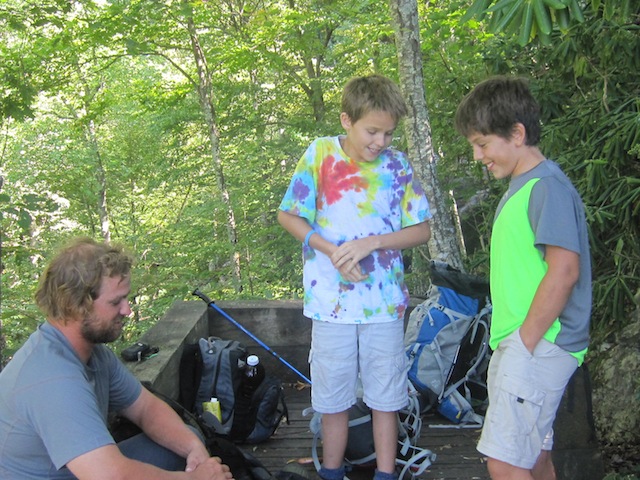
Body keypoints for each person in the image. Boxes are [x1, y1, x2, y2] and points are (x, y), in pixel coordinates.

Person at [277, 74, 432, 480]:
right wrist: (330, 251)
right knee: (332, 399)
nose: (380, 141)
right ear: (347, 120)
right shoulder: (320, 154)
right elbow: (288, 214)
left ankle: (384, 472)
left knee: (386, 397)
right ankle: (331, 472)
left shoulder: (397, 165)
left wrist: (373, 243)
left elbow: (422, 229)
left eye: (388, 133)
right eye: (372, 131)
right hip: (331, 305)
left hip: (383, 306)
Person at [0, 237, 234, 480]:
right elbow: (110, 476)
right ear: (76, 305)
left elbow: (145, 408)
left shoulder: (93, 354)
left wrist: (195, 450)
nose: (127, 310)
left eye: (126, 298)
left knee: (187, 439)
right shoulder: (53, 379)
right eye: (115, 302)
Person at [454, 76, 592, 480]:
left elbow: (565, 271)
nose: (478, 155)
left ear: (517, 133)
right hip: (528, 345)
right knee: (533, 459)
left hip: (537, 344)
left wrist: (525, 340)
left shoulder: (546, 187)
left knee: (505, 463)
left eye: (482, 143)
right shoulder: (526, 186)